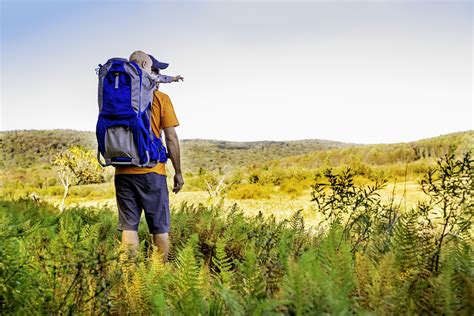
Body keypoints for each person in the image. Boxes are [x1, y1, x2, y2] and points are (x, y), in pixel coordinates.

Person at [114, 50, 184, 262]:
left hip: (123, 170)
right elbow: (170, 138)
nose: (158, 76)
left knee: (129, 228)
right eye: (155, 70)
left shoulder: (119, 97)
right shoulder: (160, 98)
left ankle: (129, 278)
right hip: (152, 171)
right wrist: (178, 172)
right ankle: (157, 279)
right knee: (159, 229)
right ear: (145, 67)